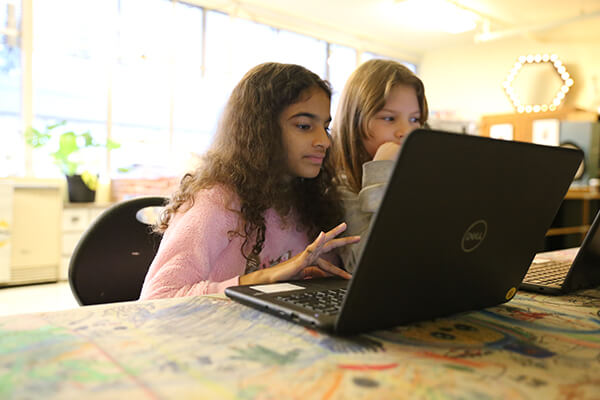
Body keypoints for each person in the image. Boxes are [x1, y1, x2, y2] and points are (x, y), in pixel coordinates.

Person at [140, 62, 359, 299]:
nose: (324, 142)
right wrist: (263, 279)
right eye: (304, 126)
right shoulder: (216, 201)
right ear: (262, 129)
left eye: (325, 128)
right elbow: (157, 297)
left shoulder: (308, 201)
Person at [331, 59, 429, 273]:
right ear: (355, 122)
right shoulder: (342, 186)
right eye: (389, 118)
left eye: (414, 119)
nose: (406, 131)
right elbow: (367, 265)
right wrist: (382, 171)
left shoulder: (420, 175)